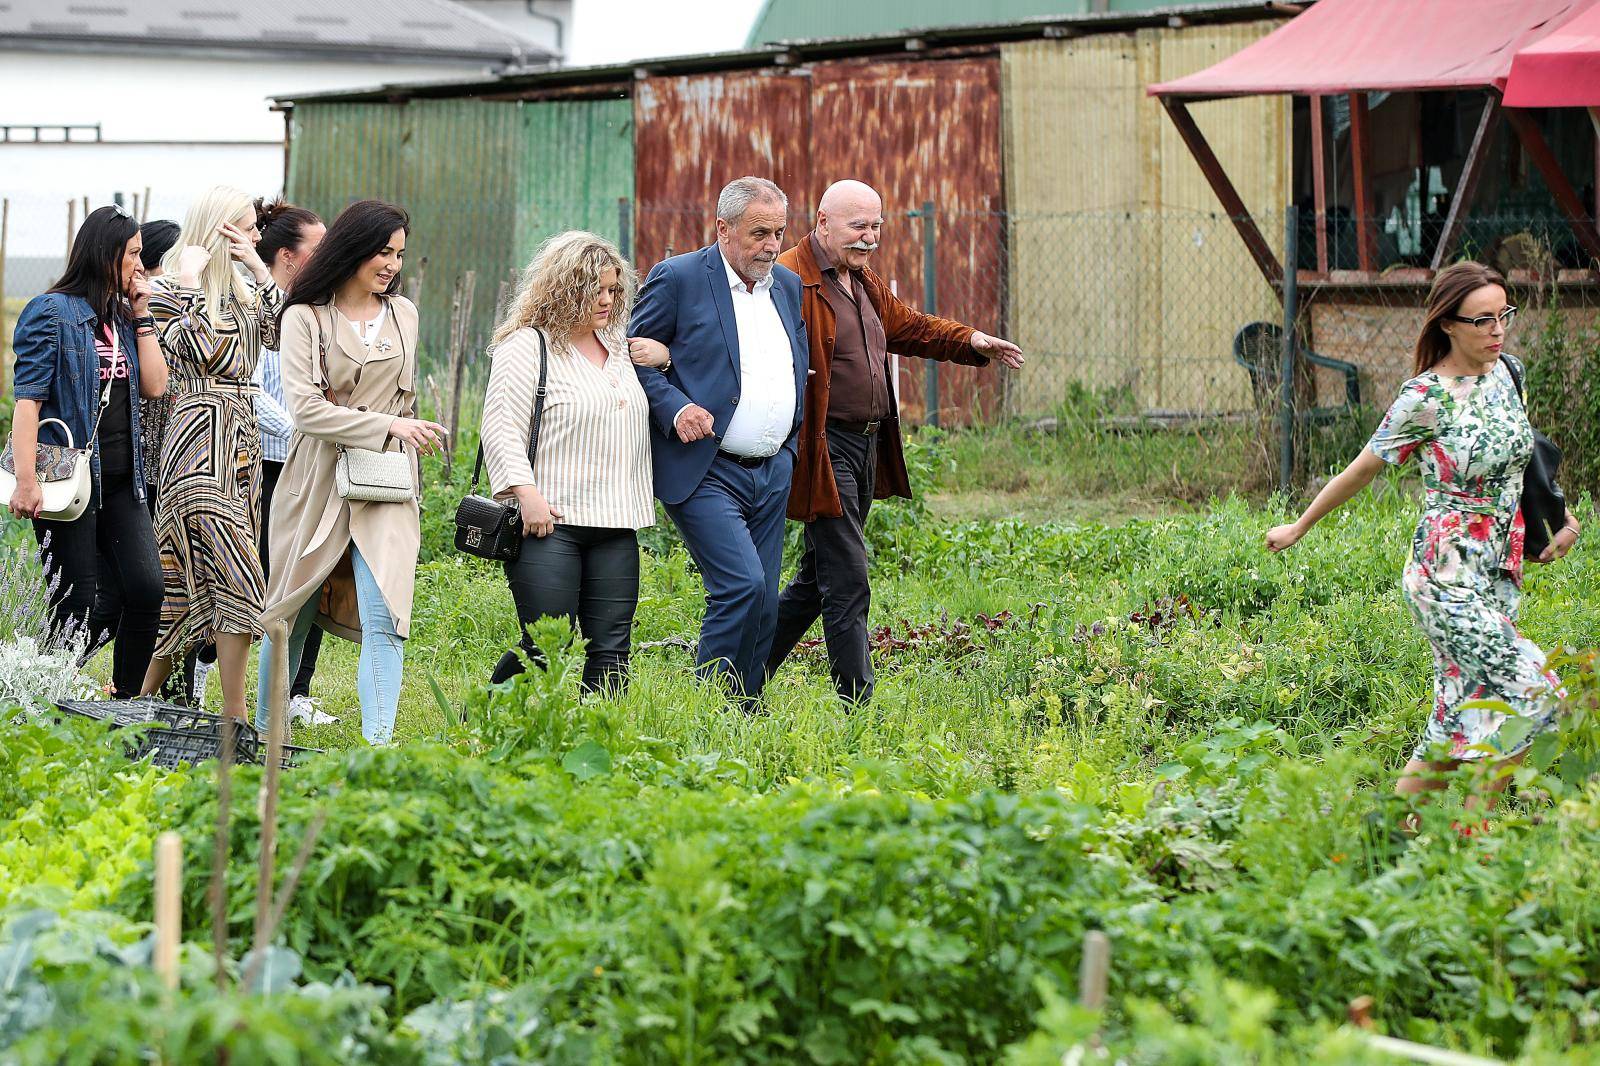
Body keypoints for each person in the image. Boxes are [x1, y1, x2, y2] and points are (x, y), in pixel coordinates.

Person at [1266, 262, 1580, 827]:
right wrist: (1298, 527)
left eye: (1503, 315)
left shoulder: (1509, 373)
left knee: (1456, 712)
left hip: (1497, 574)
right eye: (1481, 320)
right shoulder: (1425, 397)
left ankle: (1389, 832)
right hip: (1444, 579)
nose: (1497, 329)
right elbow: (1362, 470)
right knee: (1541, 694)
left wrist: (1560, 517)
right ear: (1449, 324)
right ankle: (1471, 828)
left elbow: (1525, 461)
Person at [764, 179, 1024, 703]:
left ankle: (740, 676)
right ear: (822, 222)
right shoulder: (791, 278)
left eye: (876, 226)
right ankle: (858, 707)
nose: (869, 237)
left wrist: (970, 340)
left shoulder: (860, 279)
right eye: (858, 226)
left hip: (866, 445)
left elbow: (907, 327)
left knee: (818, 580)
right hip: (822, 448)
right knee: (848, 578)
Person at [257, 200, 447, 746]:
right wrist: (387, 423)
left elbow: (404, 398)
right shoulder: (305, 316)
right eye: (382, 251)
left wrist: (403, 430)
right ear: (353, 249)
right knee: (290, 611)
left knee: (385, 611)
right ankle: (269, 738)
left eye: (399, 254)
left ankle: (377, 748)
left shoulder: (404, 314)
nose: (391, 264)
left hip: (384, 477)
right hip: (315, 476)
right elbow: (306, 409)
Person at [629, 177, 809, 704]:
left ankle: (745, 712)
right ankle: (709, 708)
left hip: (772, 468)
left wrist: (789, 447)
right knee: (742, 587)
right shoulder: (680, 278)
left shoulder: (787, 287)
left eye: (778, 232)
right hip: (707, 468)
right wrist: (676, 406)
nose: (772, 245)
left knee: (767, 603)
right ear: (723, 228)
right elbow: (633, 360)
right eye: (759, 233)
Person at [480, 231, 656, 693]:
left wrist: (667, 358)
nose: (606, 299)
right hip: (550, 522)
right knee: (545, 646)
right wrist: (526, 493)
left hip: (617, 521)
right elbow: (500, 429)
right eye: (593, 289)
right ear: (563, 289)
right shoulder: (528, 346)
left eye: (614, 289)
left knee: (612, 647)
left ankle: (597, 746)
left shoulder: (619, 346)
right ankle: (483, 726)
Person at [7, 205, 169, 697]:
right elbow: (28, 403)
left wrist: (142, 314)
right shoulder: (51, 312)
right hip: (65, 482)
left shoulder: (122, 317)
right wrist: (26, 479)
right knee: (74, 598)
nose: (141, 264)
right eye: (134, 254)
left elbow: (155, 385)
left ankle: (126, 703)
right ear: (107, 253)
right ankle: (44, 691)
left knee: (146, 589)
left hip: (124, 480)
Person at [138, 186, 280, 720]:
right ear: (218, 227)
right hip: (197, 442)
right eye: (245, 227)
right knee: (240, 575)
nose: (256, 236)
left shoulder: (243, 291)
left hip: (241, 447)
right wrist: (193, 281)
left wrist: (262, 274)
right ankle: (237, 716)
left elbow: (283, 333)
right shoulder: (170, 288)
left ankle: (137, 699)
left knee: (182, 583)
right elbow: (198, 349)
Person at [251, 197, 334, 726]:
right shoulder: (264, 311)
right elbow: (253, 392)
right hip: (269, 463)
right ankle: (256, 687)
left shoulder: (323, 308)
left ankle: (298, 690)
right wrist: (307, 431)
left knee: (318, 570)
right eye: (319, 247)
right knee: (273, 577)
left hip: (312, 459)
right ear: (287, 255)